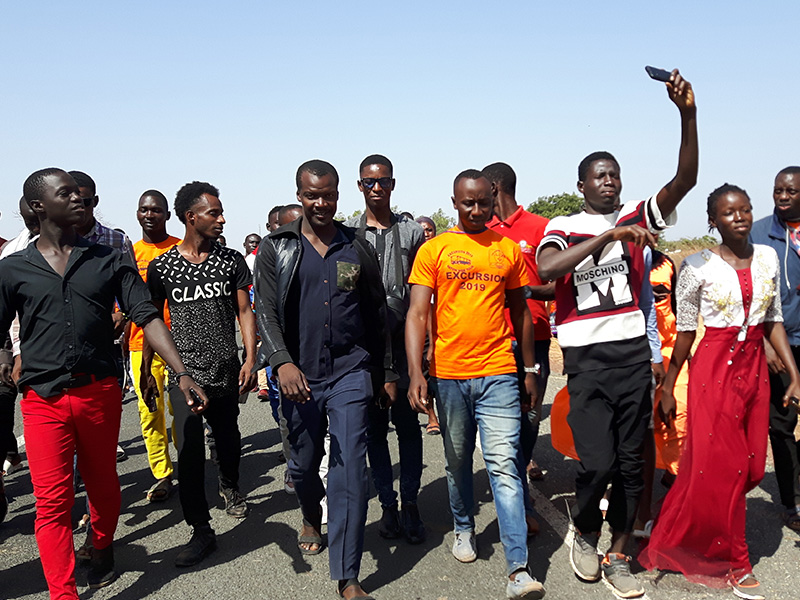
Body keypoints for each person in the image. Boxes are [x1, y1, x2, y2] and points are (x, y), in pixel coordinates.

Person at [0, 168, 207, 599]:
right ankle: (63, 592)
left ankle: (101, 545)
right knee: (52, 503)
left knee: (103, 486)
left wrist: (181, 371)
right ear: (39, 207)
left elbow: (146, 314)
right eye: (67, 194)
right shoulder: (13, 269)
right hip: (43, 400)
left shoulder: (109, 259)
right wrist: (5, 354)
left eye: (81, 194)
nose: (80, 199)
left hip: (99, 393)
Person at [536, 69, 697, 598]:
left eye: (615, 175)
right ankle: (586, 531)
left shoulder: (637, 216)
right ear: (581, 184)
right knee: (597, 463)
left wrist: (687, 114)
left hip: (632, 358)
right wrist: (610, 234)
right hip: (586, 364)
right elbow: (550, 271)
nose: (609, 181)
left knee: (635, 466)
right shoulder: (562, 225)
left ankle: (621, 551)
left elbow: (685, 180)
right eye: (599, 176)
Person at [640, 185, 800, 600]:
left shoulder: (766, 258)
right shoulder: (696, 266)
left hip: (755, 371)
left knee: (748, 468)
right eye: (729, 213)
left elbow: (774, 320)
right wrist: (669, 386)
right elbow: (687, 332)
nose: (740, 217)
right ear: (713, 221)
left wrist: (795, 373)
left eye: (745, 210)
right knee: (727, 468)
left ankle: (683, 519)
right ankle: (735, 563)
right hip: (714, 369)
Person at [254, 159, 394, 600]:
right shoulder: (277, 248)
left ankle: (347, 576)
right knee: (302, 465)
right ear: (299, 195)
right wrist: (281, 361)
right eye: (312, 195)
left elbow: (376, 313)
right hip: (300, 376)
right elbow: (266, 314)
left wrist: (386, 371)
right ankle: (311, 514)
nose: (321, 203)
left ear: (339, 194)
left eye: (329, 195)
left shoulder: (356, 247)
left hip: (351, 371)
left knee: (350, 467)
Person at [406, 170, 545, 600]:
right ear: (454, 202)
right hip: (449, 376)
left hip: (499, 371)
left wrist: (529, 370)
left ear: (493, 198)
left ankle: (518, 568)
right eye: (468, 203)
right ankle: (463, 527)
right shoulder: (436, 249)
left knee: (504, 464)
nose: (477, 210)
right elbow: (416, 314)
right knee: (457, 461)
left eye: (483, 202)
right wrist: (417, 372)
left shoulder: (506, 250)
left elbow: (522, 312)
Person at [142, 181, 257, 567]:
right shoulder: (162, 267)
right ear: (192, 217)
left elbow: (244, 312)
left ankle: (230, 485)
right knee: (189, 449)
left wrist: (250, 357)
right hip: (185, 374)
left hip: (226, 368)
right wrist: (146, 368)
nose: (222, 219)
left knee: (227, 439)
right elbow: (152, 318)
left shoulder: (230, 261)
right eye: (214, 213)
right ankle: (200, 530)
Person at [345, 154, 426, 544]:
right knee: (376, 433)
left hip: (406, 346)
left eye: (384, 181)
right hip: (365, 352)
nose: (377, 188)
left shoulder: (411, 233)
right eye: (369, 182)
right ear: (359, 186)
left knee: (408, 428)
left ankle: (410, 502)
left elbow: (422, 294)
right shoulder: (347, 234)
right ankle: (388, 507)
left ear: (394, 184)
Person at [484, 161, 554, 524]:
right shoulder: (480, 231)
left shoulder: (541, 227)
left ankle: (517, 487)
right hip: (493, 342)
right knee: (503, 424)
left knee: (529, 419)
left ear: (495, 187)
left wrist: (531, 291)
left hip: (536, 342)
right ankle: (519, 506)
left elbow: (560, 282)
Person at [750, 166, 800, 532]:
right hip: (779, 345)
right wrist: (764, 341)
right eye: (778, 190)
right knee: (781, 425)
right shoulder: (756, 233)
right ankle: (791, 500)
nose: (783, 197)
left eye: (791, 191)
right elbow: (746, 293)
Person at [129, 190, 182, 502]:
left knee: (180, 410)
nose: (150, 215)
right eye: (144, 210)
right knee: (150, 412)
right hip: (140, 345)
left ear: (167, 215)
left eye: (156, 210)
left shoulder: (178, 248)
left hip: (178, 345)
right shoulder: (130, 253)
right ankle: (162, 474)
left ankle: (186, 462)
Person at [414, 215, 440, 434]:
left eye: (429, 229)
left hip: (439, 330)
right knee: (424, 374)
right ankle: (431, 415)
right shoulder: (415, 260)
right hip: (419, 331)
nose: (425, 233)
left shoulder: (442, 257)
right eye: (421, 230)